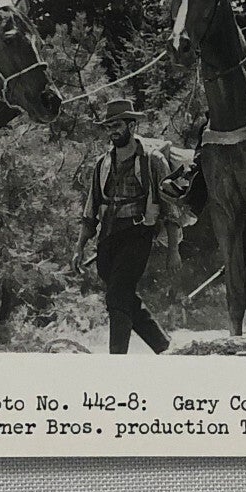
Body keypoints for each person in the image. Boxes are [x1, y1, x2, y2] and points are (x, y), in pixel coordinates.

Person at [73, 95, 173, 355]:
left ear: (132, 126)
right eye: (109, 126)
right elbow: (90, 208)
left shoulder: (152, 160)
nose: (113, 131)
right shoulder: (102, 163)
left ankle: (117, 362)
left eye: (118, 125)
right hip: (107, 237)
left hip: (138, 233)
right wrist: (79, 246)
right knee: (124, 298)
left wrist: (174, 249)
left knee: (117, 296)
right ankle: (164, 348)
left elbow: (171, 208)